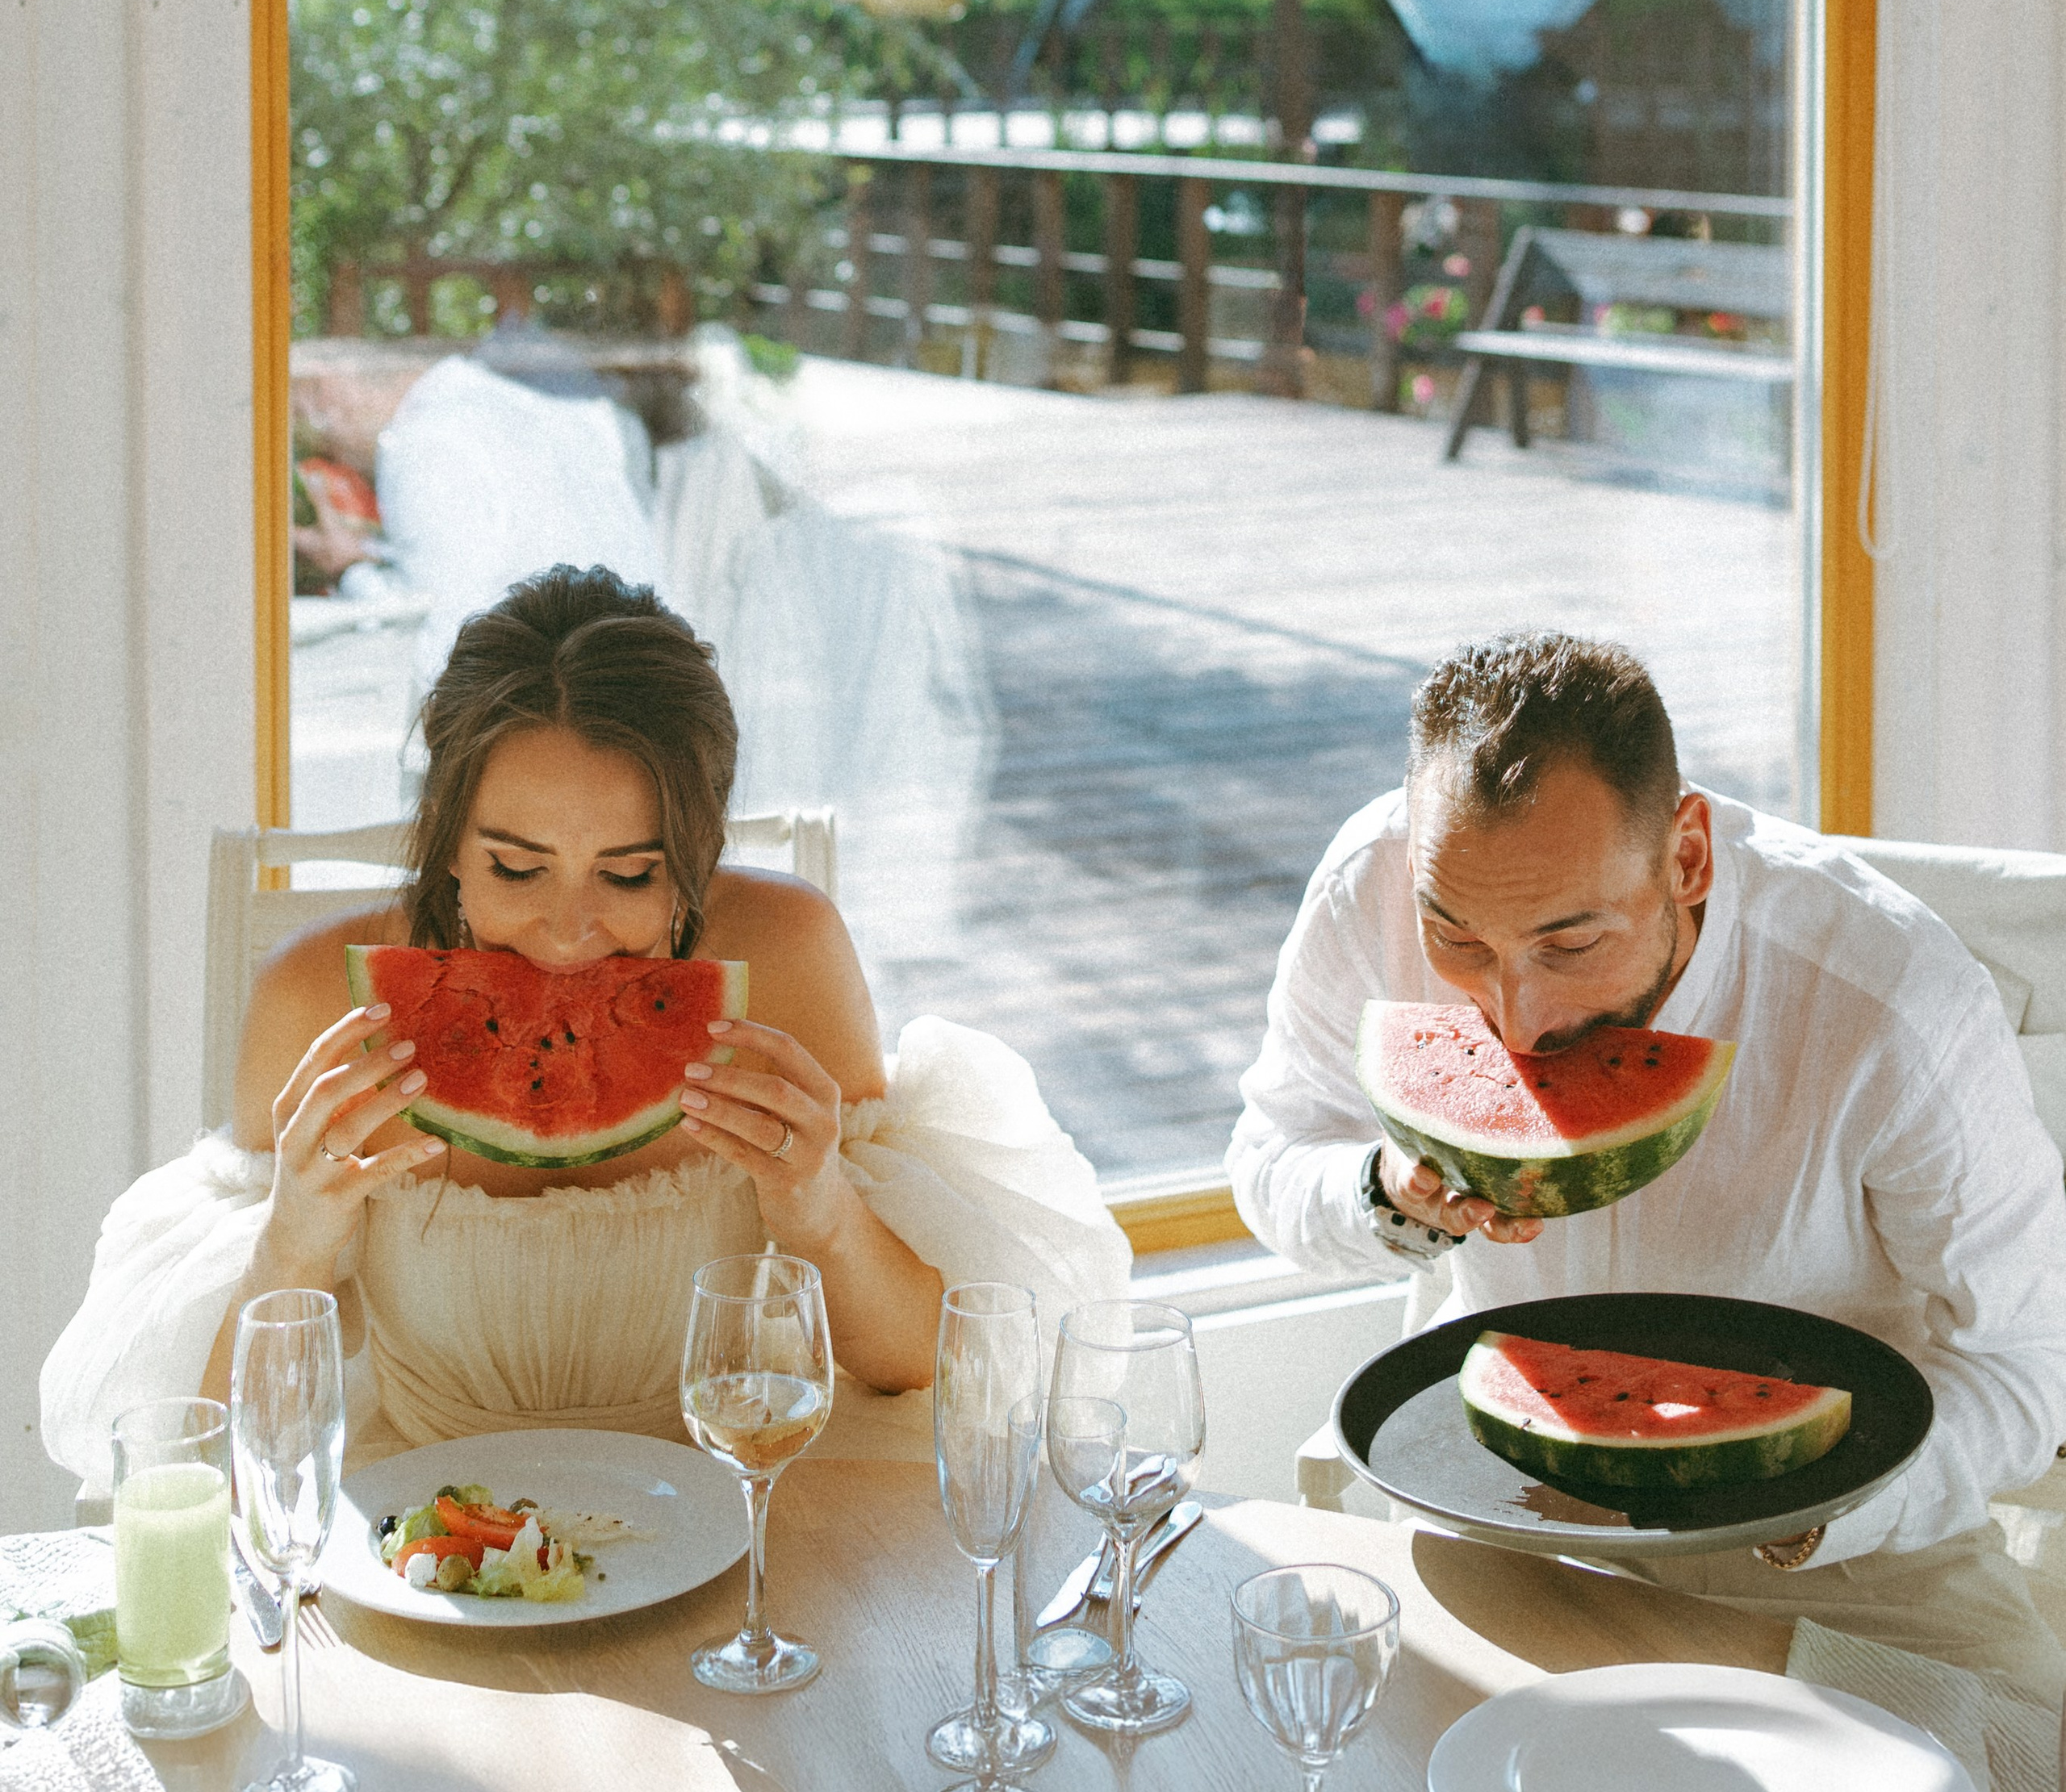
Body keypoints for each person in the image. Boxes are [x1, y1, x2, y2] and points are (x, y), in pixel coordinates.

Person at [42, 566, 1128, 1485]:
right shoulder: (315, 1004)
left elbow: (924, 1372)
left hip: (754, 1553)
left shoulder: (787, 961)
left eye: (631, 873)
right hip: (431, 1562)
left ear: (696, 857)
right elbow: (221, 1453)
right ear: (449, 841)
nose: (567, 935)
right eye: (516, 866)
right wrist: (293, 1236)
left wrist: (825, 1212)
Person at [1229, 629, 2066, 1697]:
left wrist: (1822, 1503)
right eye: (1456, 939)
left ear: (1686, 856)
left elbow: (2028, 1361)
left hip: (1844, 1560)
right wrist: (1385, 1194)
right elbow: (1269, 1156)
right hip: (1507, 1518)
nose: (1516, 1018)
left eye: (1570, 944)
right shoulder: (1372, 881)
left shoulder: (1892, 997)